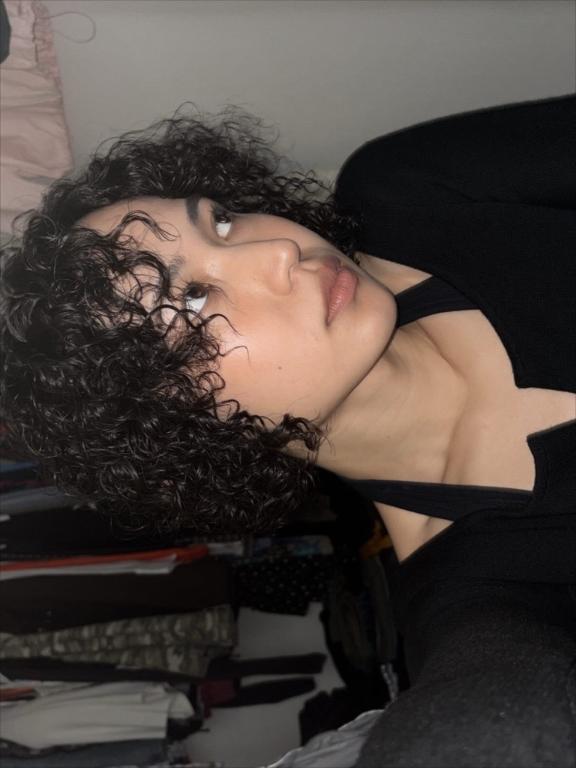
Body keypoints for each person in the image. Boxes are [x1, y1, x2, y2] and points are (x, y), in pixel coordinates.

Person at [1, 94, 575, 766]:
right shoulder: (492, 592)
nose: (277, 250)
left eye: (220, 222)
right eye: (191, 301)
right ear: (175, 426)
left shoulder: (409, 190)